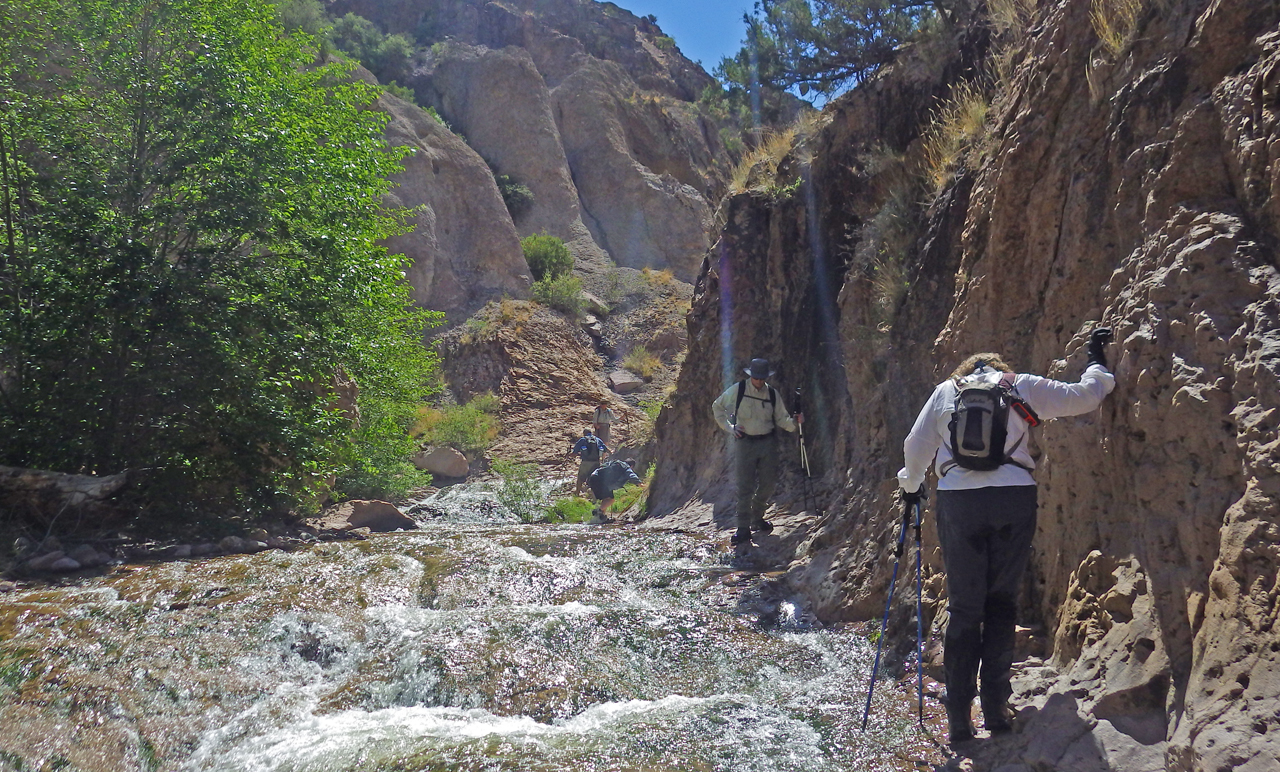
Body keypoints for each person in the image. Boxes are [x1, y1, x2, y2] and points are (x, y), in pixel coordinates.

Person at [897, 329, 1115, 744]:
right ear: (999, 368)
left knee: (964, 608)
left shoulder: (945, 392)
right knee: (1002, 602)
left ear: (965, 373)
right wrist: (1096, 362)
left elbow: (915, 446)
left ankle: (959, 718)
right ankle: (996, 708)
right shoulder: (1020, 386)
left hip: (959, 502)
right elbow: (1085, 397)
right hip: (1014, 498)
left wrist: (910, 487)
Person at [711, 357, 803, 546]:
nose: (760, 381)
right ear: (751, 375)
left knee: (768, 484)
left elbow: (782, 419)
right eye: (757, 378)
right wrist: (730, 428)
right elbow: (717, 406)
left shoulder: (772, 394)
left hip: (768, 442)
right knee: (745, 486)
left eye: (762, 378)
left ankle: (757, 517)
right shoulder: (739, 390)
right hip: (745, 444)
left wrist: (795, 423)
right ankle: (743, 528)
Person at [587, 457, 641, 523]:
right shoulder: (625, 466)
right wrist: (639, 483)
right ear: (632, 466)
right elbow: (631, 475)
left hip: (593, 477)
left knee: (606, 499)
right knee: (611, 500)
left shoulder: (613, 462)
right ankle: (598, 511)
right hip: (601, 481)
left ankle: (600, 518)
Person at [567, 428, 608, 498]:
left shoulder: (583, 440)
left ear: (584, 433)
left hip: (586, 462)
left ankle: (577, 493)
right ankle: (595, 495)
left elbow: (574, 453)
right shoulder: (597, 440)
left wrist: (569, 455)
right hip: (596, 462)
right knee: (594, 478)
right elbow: (605, 449)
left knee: (580, 478)